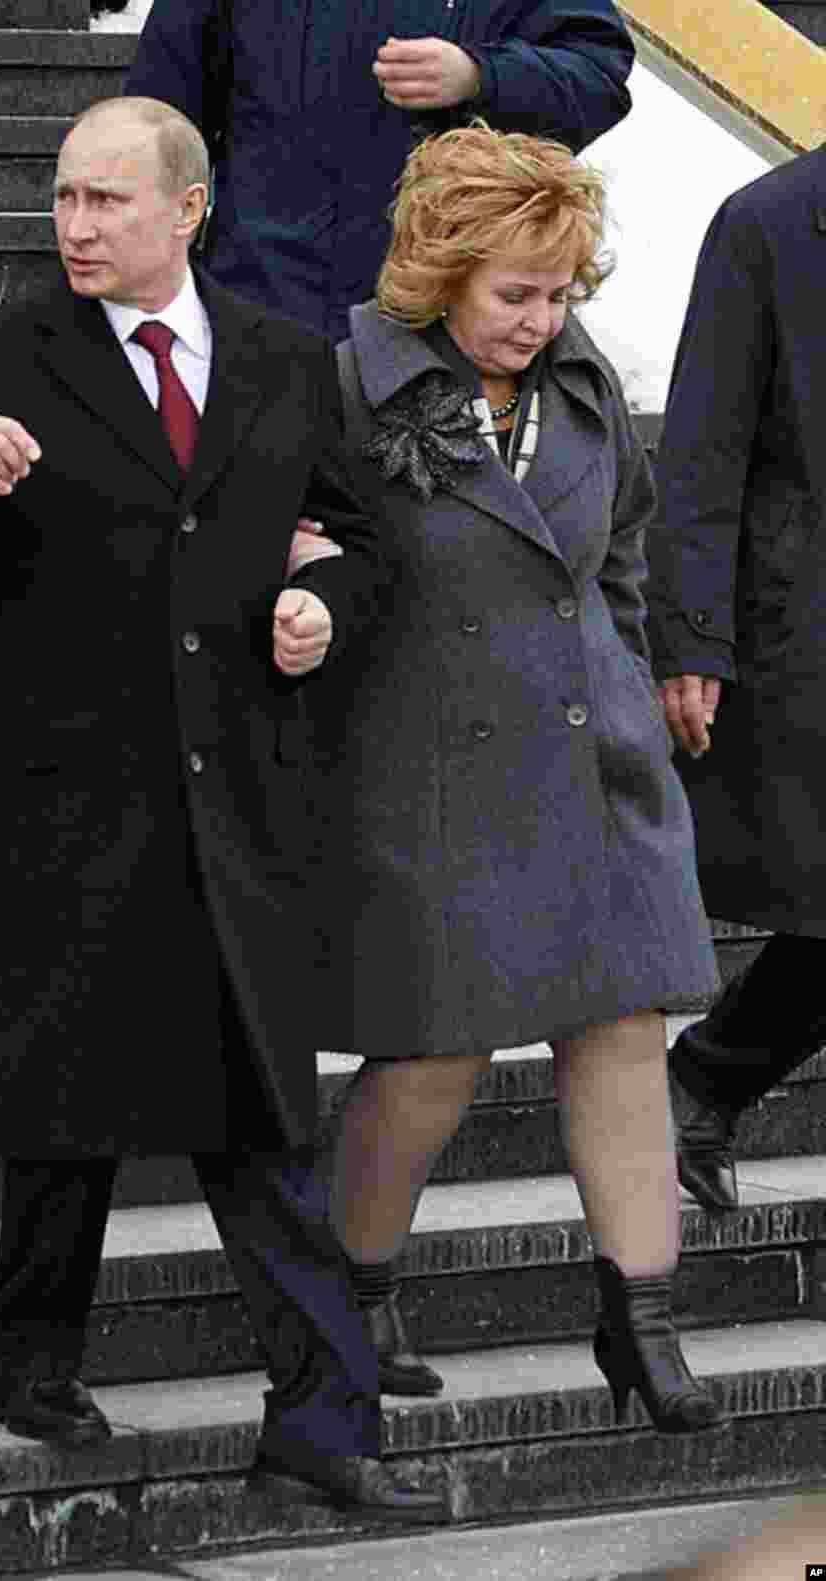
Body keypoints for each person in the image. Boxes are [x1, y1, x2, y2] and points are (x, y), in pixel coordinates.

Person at [0, 96, 446, 1525]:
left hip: (236, 793)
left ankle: (319, 1413)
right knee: (66, 1105)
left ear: (191, 211)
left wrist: (317, 600)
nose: (76, 224)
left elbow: (369, 540)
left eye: (108, 200)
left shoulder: (287, 366)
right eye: (63, 198)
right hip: (71, 793)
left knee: (258, 1118)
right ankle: (31, 1352)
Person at [305, 122, 724, 1431]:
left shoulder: (581, 381)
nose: (540, 321)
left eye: (559, 295)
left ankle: (641, 1319)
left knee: (624, 1033)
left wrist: (647, 674)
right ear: (439, 274)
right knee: (433, 1058)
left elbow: (626, 543)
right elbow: (289, 557)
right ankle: (351, 1295)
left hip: (595, 762)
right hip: (431, 760)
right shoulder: (340, 392)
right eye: (514, 295)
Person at [647, 144, 826, 1215]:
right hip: (799, 620)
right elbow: (703, 448)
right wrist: (691, 640)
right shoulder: (764, 222)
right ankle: (703, 1080)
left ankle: (706, 1080)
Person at [122, 0, 635, 341]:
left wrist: (481, 76)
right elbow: (158, 119)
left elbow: (596, 74)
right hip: (261, 307)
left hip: (441, 326)